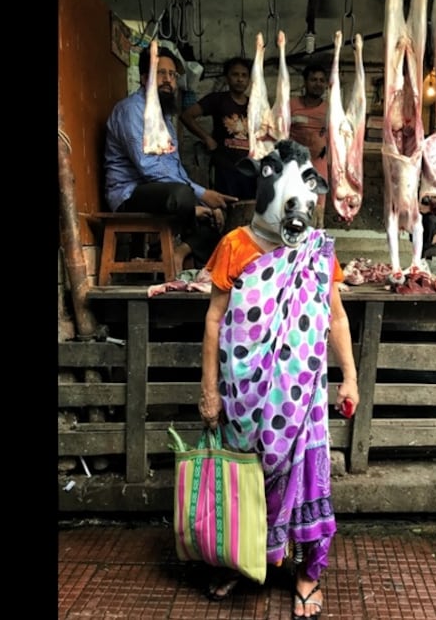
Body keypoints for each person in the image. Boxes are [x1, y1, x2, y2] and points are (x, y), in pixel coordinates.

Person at [197, 139, 360, 619]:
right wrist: (209, 391)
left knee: (307, 477)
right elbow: (213, 319)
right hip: (240, 393)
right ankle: (239, 559)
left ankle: (307, 573)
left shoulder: (316, 250)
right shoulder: (234, 245)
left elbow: (336, 317)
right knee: (239, 476)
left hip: (301, 394)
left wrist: (349, 377)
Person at [104, 45, 238, 269]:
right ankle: (173, 243)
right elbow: (148, 168)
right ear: (145, 77)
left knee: (217, 217)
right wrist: (198, 196)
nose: (168, 80)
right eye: (161, 73)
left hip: (165, 193)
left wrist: (201, 198)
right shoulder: (131, 111)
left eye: (172, 75)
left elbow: (175, 169)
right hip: (130, 193)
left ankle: (178, 252)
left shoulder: (165, 117)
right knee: (182, 196)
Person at [180, 56, 255, 199]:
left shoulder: (254, 105)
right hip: (224, 168)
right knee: (224, 207)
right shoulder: (217, 99)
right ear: (227, 78)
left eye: (244, 75)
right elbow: (186, 116)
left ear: (249, 80)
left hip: (249, 169)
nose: (240, 79)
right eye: (235, 74)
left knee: (248, 210)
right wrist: (207, 138)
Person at [288, 63, 330, 228]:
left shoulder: (329, 109)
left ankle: (313, 248)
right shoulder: (290, 105)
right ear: (304, 82)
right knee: (293, 207)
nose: (318, 83)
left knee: (317, 210)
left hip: (318, 165)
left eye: (321, 80)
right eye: (313, 80)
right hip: (293, 166)